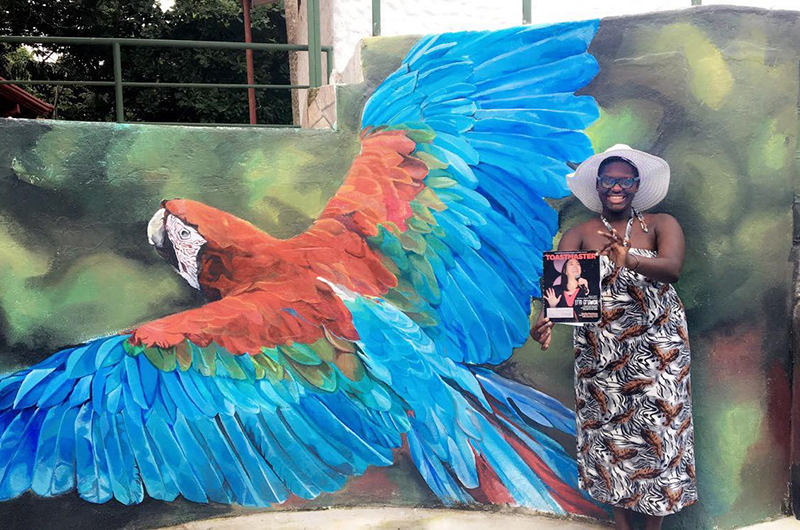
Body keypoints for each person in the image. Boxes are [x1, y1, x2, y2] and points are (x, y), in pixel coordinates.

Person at [530, 144, 697, 530]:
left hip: (660, 350)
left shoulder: (660, 224)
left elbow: (671, 269)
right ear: (598, 186)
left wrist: (630, 259)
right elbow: (563, 298)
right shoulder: (579, 234)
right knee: (612, 436)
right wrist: (546, 322)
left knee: (658, 430)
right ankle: (621, 527)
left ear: (637, 185)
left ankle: (652, 525)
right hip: (601, 354)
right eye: (609, 180)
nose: (616, 187)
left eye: (625, 180)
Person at [543, 257, 592, 321]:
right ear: (565, 271)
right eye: (571, 264)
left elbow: (593, 313)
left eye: (578, 264)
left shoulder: (587, 289)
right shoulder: (555, 291)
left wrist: (587, 290)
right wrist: (552, 306)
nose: (575, 266)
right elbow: (551, 321)